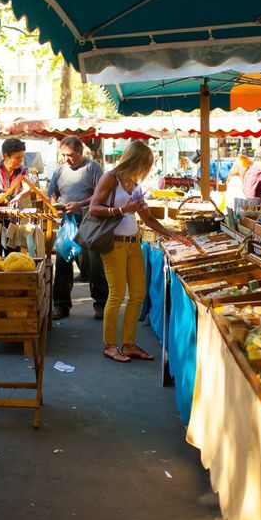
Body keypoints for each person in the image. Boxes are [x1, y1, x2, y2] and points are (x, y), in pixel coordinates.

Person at [89, 140, 191, 362]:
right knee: (116, 295)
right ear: (137, 161)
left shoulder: (132, 184)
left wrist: (171, 234)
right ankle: (110, 345)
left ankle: (129, 343)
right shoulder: (111, 177)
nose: (147, 170)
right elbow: (94, 208)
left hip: (134, 243)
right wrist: (124, 209)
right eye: (147, 164)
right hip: (113, 243)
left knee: (137, 294)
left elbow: (147, 218)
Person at [47, 136, 108, 320]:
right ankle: (61, 305)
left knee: (94, 265)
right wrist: (55, 206)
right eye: (64, 155)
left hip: (90, 223)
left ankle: (101, 305)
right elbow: (52, 194)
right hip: (68, 223)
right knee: (63, 263)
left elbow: (101, 195)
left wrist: (80, 204)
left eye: (71, 155)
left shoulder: (93, 168)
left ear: (81, 152)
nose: (67, 159)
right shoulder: (59, 170)